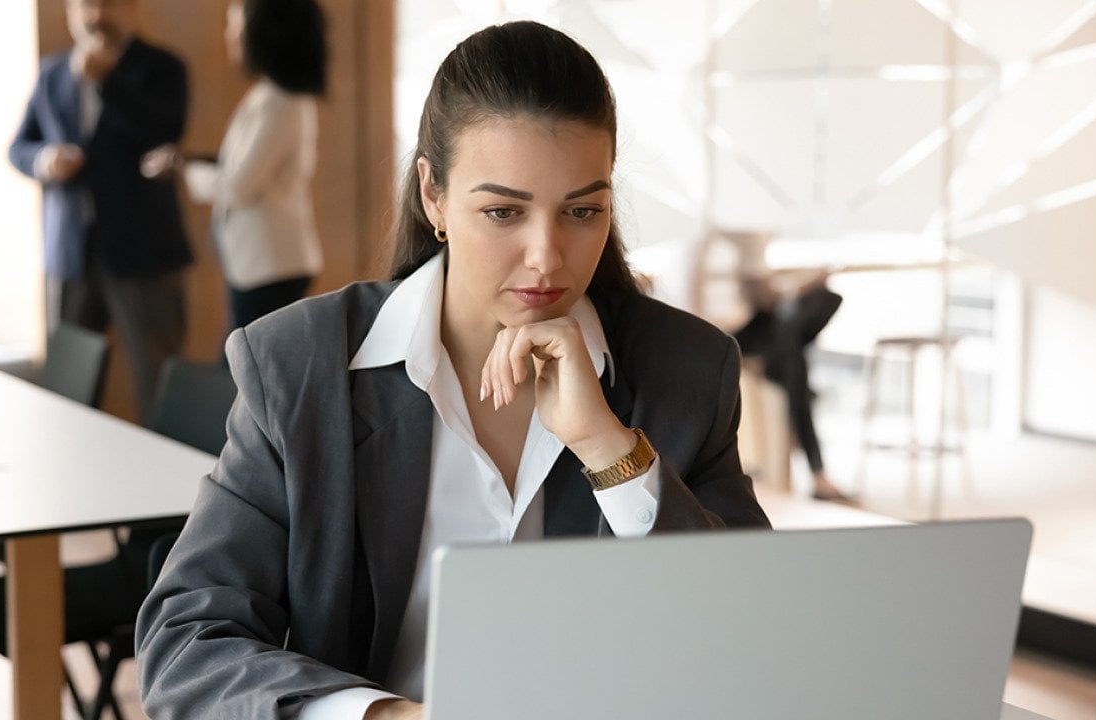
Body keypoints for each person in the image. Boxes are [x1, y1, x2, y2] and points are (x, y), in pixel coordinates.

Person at [136, 21, 770, 720]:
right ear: (432, 195)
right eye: (503, 211)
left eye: (582, 210)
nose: (546, 257)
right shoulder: (299, 366)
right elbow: (187, 644)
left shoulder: (688, 372)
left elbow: (756, 636)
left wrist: (609, 449)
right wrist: (386, 716)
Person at [9, 0, 191, 417]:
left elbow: (166, 130)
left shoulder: (162, 67)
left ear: (132, 8)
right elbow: (19, 147)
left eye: (109, 3)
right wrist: (44, 160)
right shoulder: (52, 71)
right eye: (86, 4)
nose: (97, 15)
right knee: (66, 388)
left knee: (159, 384)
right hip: (71, 252)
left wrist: (108, 81)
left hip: (144, 251)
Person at [143, 0, 326, 331]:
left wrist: (181, 170)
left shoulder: (281, 103)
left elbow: (238, 185)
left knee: (242, 358)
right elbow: (240, 164)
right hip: (257, 263)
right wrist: (190, 159)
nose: (229, 36)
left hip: (271, 266)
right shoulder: (269, 96)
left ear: (264, 34)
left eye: (236, 27)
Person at [726, 231, 850, 502]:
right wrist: (808, 282)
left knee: (828, 300)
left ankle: (782, 364)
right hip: (740, 333)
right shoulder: (745, 234)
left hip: (761, 327)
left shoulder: (748, 237)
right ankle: (818, 474)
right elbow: (765, 297)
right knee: (794, 361)